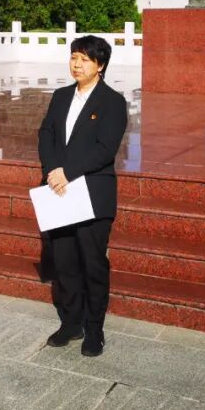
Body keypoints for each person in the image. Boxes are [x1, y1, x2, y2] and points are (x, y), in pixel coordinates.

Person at [37, 36, 128, 357]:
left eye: (85, 60)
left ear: (100, 65)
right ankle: (71, 322)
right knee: (64, 262)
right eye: (74, 57)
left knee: (92, 263)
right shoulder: (61, 96)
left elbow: (105, 149)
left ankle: (94, 328)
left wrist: (68, 172)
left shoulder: (112, 101)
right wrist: (52, 170)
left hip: (92, 193)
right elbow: (46, 133)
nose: (77, 65)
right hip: (58, 189)